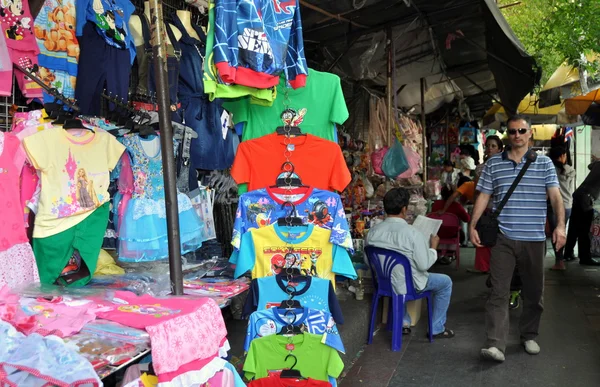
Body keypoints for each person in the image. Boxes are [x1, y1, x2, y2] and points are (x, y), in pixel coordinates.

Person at [470, 115, 565, 362]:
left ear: (530, 133)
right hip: (504, 237)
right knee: (498, 292)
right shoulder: (494, 164)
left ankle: (529, 335)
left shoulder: (544, 164)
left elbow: (556, 198)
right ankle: (495, 344)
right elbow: (483, 195)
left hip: (534, 239)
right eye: (512, 132)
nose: (517, 135)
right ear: (507, 135)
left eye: (522, 130)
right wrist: (472, 224)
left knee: (534, 293)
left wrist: (561, 226)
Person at [366, 187, 455, 338]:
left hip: (383, 282)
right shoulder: (413, 233)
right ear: (404, 209)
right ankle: (436, 328)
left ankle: (403, 322)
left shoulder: (373, 232)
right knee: (445, 282)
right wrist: (433, 247)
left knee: (398, 275)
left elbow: (369, 263)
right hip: (410, 285)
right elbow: (423, 265)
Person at [470, 135, 505, 274]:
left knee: (499, 241)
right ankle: (484, 267)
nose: (489, 149)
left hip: (500, 210)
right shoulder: (480, 168)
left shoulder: (504, 167)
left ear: (500, 149)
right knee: (483, 238)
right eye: (488, 146)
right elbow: (477, 191)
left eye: (493, 146)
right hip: (484, 209)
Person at [564, 160, 600, 265]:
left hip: (578, 195)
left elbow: (590, 166)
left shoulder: (598, 164)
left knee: (574, 227)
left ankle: (568, 253)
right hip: (586, 199)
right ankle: (585, 258)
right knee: (584, 230)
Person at [548, 146, 575, 270]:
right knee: (562, 231)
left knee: (555, 232)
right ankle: (560, 260)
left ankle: (559, 261)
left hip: (554, 206)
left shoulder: (550, 170)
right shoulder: (570, 170)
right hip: (568, 205)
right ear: (562, 156)